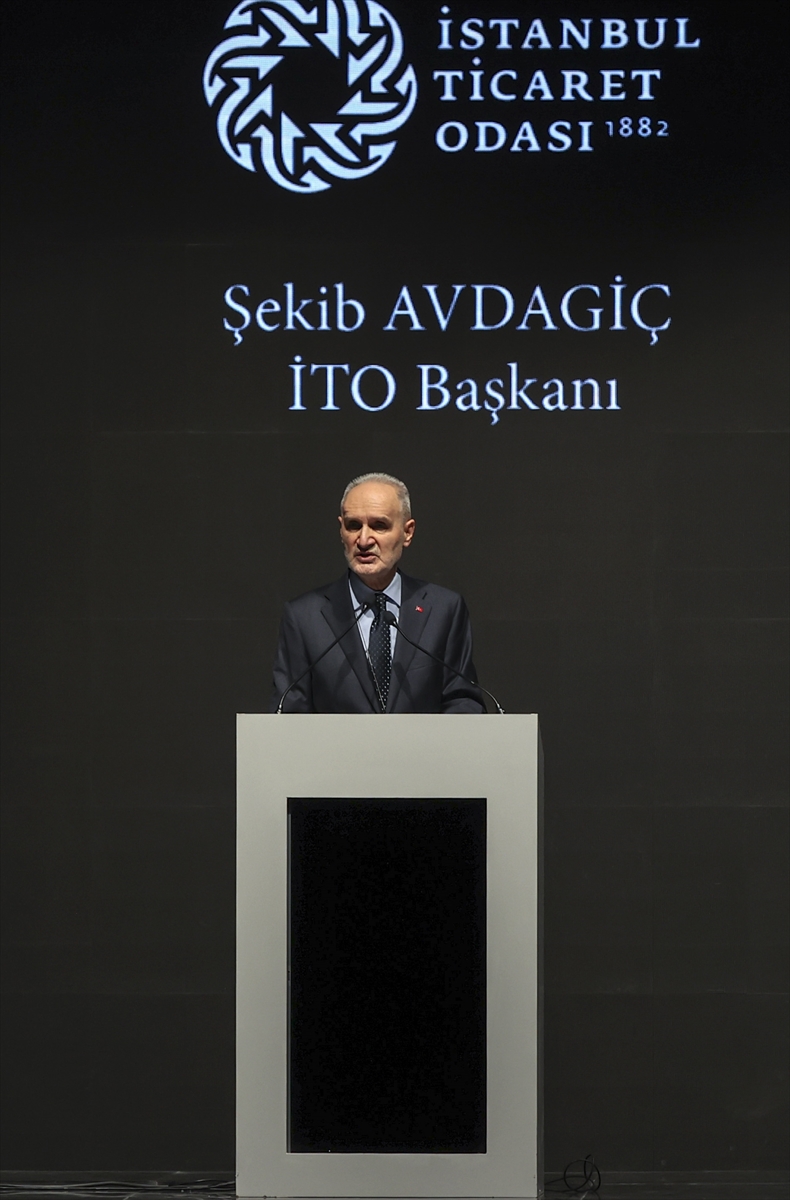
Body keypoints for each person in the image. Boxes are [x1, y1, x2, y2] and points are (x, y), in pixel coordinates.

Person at [270, 473, 485, 713]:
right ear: (341, 530)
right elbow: (289, 712)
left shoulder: (444, 610)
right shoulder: (304, 617)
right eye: (353, 526)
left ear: (407, 532)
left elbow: (463, 702)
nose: (363, 540)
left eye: (379, 526)